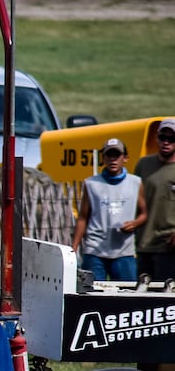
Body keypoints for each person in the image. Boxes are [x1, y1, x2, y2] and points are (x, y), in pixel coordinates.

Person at [71, 137, 145, 282]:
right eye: (109, 155)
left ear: (125, 158)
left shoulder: (135, 182)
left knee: (127, 295)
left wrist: (134, 224)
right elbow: (83, 217)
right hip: (95, 249)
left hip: (124, 250)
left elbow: (144, 214)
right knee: (92, 294)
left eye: (116, 155)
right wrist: (73, 247)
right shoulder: (91, 183)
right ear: (103, 158)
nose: (113, 160)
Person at [135, 118, 175, 281]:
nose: (166, 142)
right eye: (162, 137)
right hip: (144, 242)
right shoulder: (144, 164)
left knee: (166, 299)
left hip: (169, 245)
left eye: (171, 139)